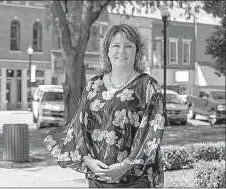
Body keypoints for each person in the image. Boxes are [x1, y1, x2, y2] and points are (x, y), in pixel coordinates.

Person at [44, 24, 165, 188]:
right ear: (107, 51)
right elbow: (78, 126)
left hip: (136, 179)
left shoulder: (149, 86)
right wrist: (87, 159)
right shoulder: (94, 85)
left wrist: (125, 166)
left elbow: (152, 133)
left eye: (128, 46)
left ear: (137, 51)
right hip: (98, 178)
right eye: (116, 45)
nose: (121, 51)